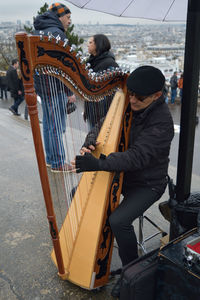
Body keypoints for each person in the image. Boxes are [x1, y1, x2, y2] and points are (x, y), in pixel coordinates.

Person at [72, 66, 174, 297]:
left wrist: (100, 164)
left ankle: (132, 271)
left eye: (139, 97)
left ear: (157, 96)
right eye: (130, 93)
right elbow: (100, 126)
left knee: (118, 220)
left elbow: (138, 156)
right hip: (122, 174)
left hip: (148, 183)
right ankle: (92, 252)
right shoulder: (128, 102)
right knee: (75, 195)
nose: (132, 100)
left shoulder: (162, 122)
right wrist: (91, 142)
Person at [33, 2, 76, 172]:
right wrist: (69, 91)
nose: (69, 21)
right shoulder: (58, 34)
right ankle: (58, 162)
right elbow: (63, 67)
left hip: (42, 86)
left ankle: (51, 159)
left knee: (49, 125)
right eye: (68, 17)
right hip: (55, 87)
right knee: (57, 127)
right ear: (59, 17)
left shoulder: (37, 31)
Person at [84, 34, 119, 129]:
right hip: (92, 109)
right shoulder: (91, 61)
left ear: (98, 45)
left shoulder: (110, 63)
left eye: (91, 42)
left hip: (103, 110)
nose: (88, 45)